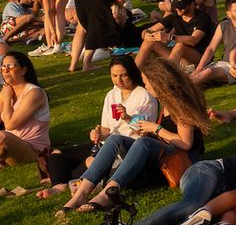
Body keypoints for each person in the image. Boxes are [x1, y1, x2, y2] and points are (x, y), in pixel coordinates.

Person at [58, 58, 209, 213]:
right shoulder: (165, 101)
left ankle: (108, 194)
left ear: (158, 83)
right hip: (168, 151)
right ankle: (81, 194)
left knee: (143, 142)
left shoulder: (179, 103)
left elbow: (186, 144)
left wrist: (156, 129)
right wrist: (145, 127)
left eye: (146, 83)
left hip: (184, 157)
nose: (145, 86)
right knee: (115, 139)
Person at [40, 56, 158, 196]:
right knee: (56, 155)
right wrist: (98, 133)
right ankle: (61, 183)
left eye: (123, 75)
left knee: (90, 161)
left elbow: (144, 131)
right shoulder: (112, 94)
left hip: (127, 148)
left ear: (132, 73)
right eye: (114, 76)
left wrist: (127, 118)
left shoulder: (144, 96)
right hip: (105, 143)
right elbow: (106, 128)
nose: (118, 81)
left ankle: (61, 184)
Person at [135, 0, 215, 70]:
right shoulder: (174, 17)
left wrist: (170, 37)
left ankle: (169, 76)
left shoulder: (203, 18)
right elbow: (149, 30)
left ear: (192, 4)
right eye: (177, 6)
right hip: (178, 57)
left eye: (182, 6)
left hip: (199, 59)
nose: (178, 9)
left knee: (180, 46)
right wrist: (146, 35)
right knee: (148, 41)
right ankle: (135, 75)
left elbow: (194, 40)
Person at [190, 0, 236, 86]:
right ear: (229, 14)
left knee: (207, 72)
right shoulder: (224, 25)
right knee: (197, 73)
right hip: (222, 64)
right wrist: (199, 68)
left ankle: (182, 91)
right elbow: (211, 48)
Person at [0, 52, 50, 170]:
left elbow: (10, 124)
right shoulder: (6, 91)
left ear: (23, 70)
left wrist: (7, 99)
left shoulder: (34, 93)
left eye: (10, 66)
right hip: (10, 145)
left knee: (2, 137)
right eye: (3, 66)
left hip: (32, 148)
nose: (5, 70)